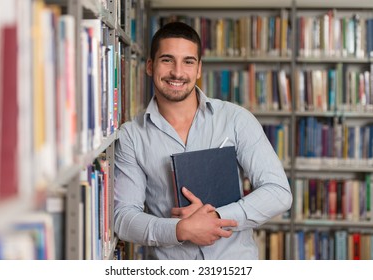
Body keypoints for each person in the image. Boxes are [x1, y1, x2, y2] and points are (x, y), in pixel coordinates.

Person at [114, 21, 292, 260]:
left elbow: (279, 192)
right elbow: (123, 217)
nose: (177, 72)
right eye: (167, 60)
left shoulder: (236, 119)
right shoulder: (131, 136)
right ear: (149, 66)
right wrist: (180, 230)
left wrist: (216, 218)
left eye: (188, 61)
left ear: (198, 69)